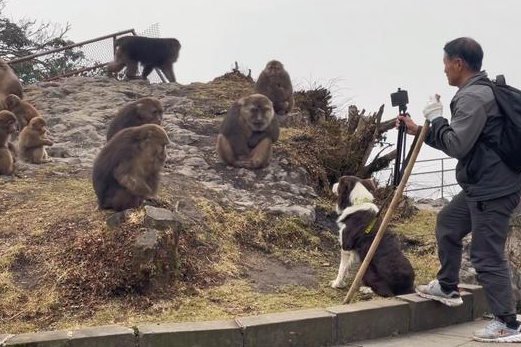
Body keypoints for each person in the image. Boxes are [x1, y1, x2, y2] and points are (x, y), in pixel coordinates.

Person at [397, 37, 521, 343]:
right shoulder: (483, 91)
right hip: (483, 184)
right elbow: (464, 142)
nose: (444, 71)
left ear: (458, 64)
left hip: (493, 190)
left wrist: (437, 118)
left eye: (445, 64)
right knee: (449, 224)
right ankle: (448, 285)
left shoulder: (471, 98)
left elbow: (457, 144)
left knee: (486, 255)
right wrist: (420, 130)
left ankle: (508, 323)